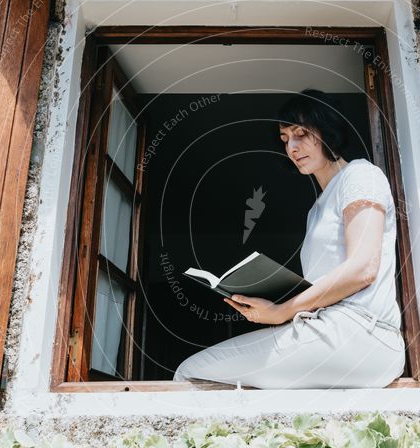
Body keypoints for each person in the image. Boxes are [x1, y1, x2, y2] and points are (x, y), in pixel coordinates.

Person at [172, 89, 405, 389]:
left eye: (301, 134)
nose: (292, 147)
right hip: (329, 331)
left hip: (361, 333)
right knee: (233, 382)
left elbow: (363, 268)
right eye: (285, 139)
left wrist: (281, 311)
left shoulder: (360, 175)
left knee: (191, 372)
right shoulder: (317, 209)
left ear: (328, 129)